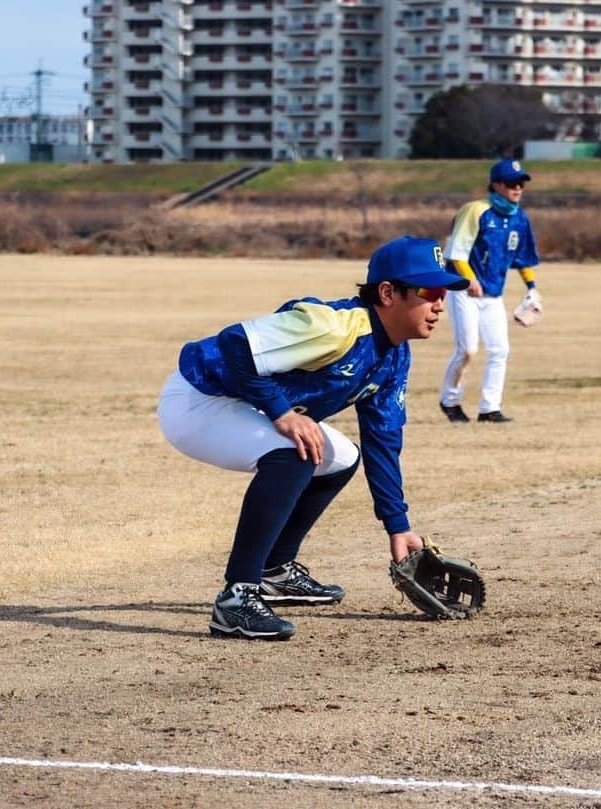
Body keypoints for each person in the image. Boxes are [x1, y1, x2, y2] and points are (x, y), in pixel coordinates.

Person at [157, 236, 469, 641]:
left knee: (340, 457)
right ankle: (237, 598)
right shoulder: (334, 326)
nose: (440, 303)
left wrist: (398, 526)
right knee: (297, 451)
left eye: (443, 292)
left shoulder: (393, 356)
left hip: (241, 404)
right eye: (429, 291)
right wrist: (282, 413)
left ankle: (275, 570)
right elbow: (235, 342)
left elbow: (383, 443)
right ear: (388, 293)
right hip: (198, 399)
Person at [438, 158, 542, 424]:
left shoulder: (519, 218)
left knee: (499, 350)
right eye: (511, 183)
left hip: (493, 294)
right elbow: (456, 252)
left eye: (521, 183)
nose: (517, 188)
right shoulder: (476, 211)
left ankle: (490, 409)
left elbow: (521, 259)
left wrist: (532, 288)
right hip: (463, 290)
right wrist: (470, 279)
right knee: (468, 350)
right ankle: (450, 400)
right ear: (496, 184)